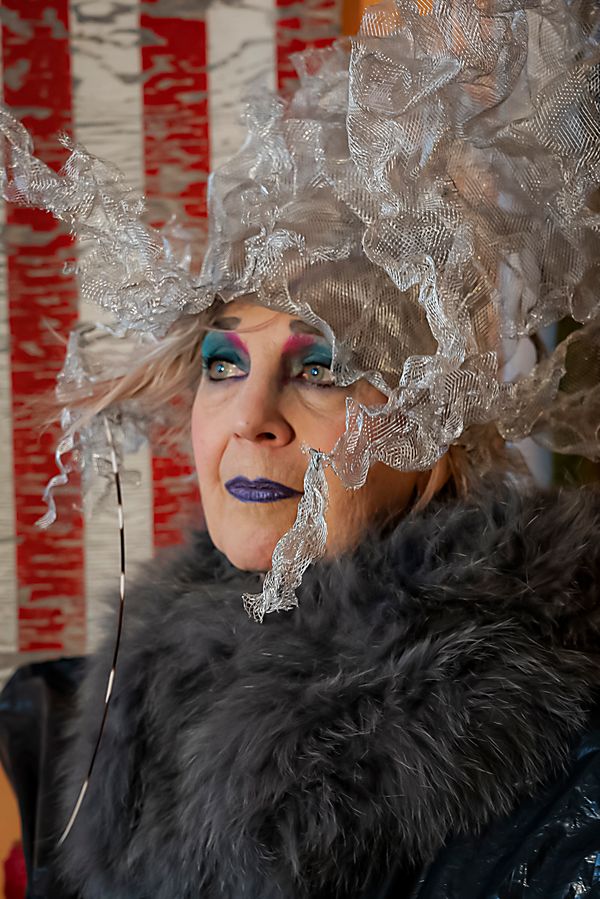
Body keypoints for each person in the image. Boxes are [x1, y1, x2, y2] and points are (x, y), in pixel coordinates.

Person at [1, 0, 600, 895]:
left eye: (322, 367)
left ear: (433, 422)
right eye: (221, 360)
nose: (250, 416)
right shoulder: (96, 716)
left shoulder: (555, 779)